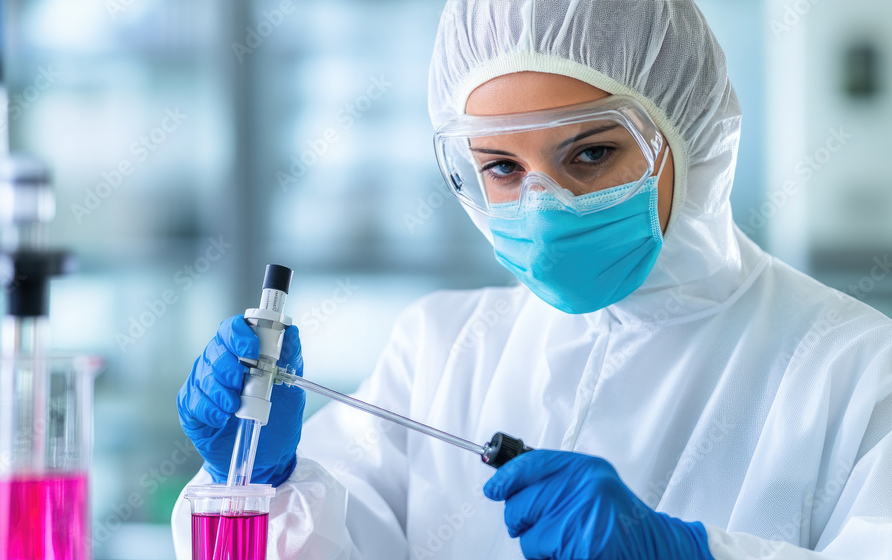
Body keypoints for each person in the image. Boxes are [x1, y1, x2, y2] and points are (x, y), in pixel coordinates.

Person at [172, 1, 892, 558]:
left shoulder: (852, 370)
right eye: (502, 167)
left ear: (690, 134)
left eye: (590, 154)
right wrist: (263, 482)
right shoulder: (440, 350)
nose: (543, 211)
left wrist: (694, 554)